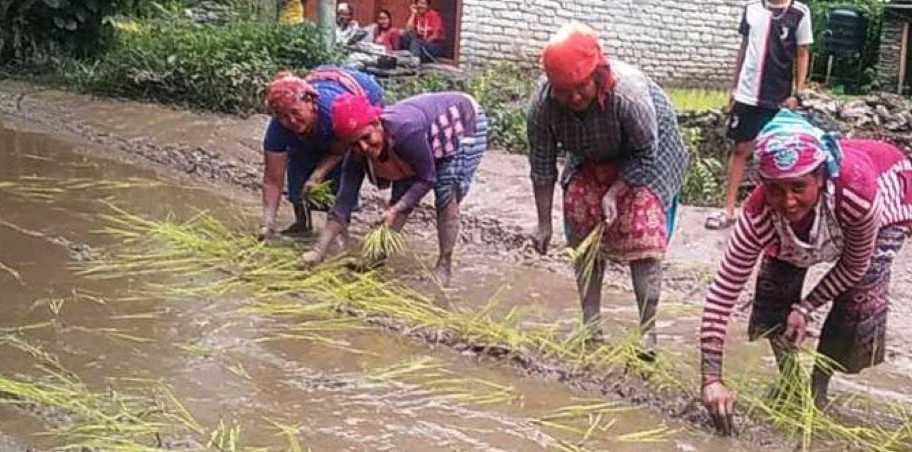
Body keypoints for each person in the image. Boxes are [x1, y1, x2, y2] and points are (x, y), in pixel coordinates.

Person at [699, 110, 912, 433]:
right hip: (830, 210)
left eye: (798, 187)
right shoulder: (759, 215)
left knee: (858, 295)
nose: (788, 201)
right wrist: (712, 379)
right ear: (763, 185)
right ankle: (792, 384)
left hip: (887, 193)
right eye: (776, 189)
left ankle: (818, 388)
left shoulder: (857, 194)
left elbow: (853, 265)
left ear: (819, 177)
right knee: (774, 287)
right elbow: (721, 295)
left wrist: (806, 307)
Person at [527, 23, 689, 356]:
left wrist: (615, 192)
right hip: (590, 153)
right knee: (581, 222)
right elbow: (542, 165)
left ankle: (647, 334)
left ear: (597, 74)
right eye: (564, 91)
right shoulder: (543, 105)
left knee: (641, 233)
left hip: (649, 154)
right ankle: (592, 326)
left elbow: (647, 153)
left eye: (581, 87)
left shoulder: (627, 96)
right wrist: (543, 223)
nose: (574, 98)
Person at [300, 91, 488, 287]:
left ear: (376, 124)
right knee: (401, 195)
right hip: (422, 138)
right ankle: (376, 259)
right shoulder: (356, 155)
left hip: (462, 123)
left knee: (445, 192)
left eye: (366, 137)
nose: (363, 147)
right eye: (355, 144)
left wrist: (395, 209)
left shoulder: (405, 132)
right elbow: (342, 204)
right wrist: (318, 251)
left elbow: (427, 178)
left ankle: (444, 266)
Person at [706, 0, 813, 230]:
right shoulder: (752, 9)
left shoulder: (799, 12)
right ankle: (728, 209)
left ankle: (773, 214)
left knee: (779, 154)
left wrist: (798, 93)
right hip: (747, 94)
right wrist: (734, 88)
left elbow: (802, 53)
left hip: (779, 97)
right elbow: (744, 49)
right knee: (740, 149)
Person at [260, 66, 384, 239]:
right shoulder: (279, 129)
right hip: (325, 87)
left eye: (295, 112)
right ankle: (302, 223)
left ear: (310, 102)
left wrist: (317, 176)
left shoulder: (335, 114)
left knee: (348, 163)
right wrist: (267, 224)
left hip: (361, 90)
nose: (292, 120)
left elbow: (339, 150)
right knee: (297, 159)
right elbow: (273, 179)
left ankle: (340, 228)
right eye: (284, 116)